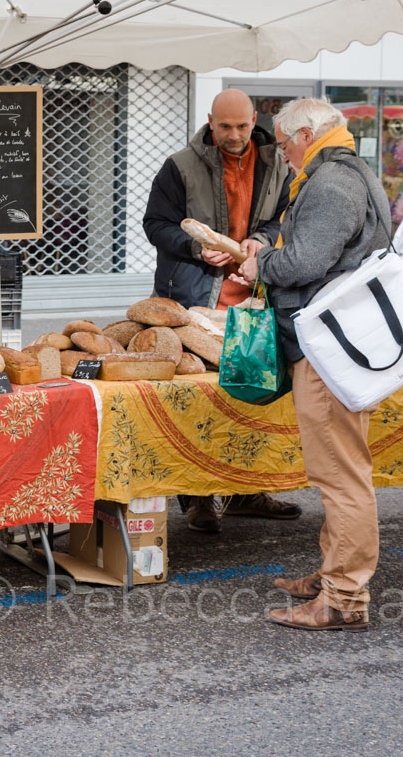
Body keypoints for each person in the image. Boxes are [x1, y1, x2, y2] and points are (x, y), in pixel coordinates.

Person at [237, 97, 390, 632]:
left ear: (305, 134)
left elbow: (306, 260)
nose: (283, 156)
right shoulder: (349, 170)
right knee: (341, 470)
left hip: (328, 346)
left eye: (283, 144)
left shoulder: (329, 181)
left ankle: (343, 598)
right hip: (341, 343)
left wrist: (260, 262)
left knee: (341, 475)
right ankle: (333, 576)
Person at [143, 88, 299, 533]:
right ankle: (197, 499)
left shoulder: (277, 161)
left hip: (252, 293)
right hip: (194, 296)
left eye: (242, 127)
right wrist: (194, 246)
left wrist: (263, 240)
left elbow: (285, 217)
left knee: (250, 397)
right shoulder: (179, 164)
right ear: (210, 121)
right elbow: (155, 224)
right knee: (197, 402)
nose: (234, 136)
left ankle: (247, 490)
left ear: (255, 120)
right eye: (225, 127)